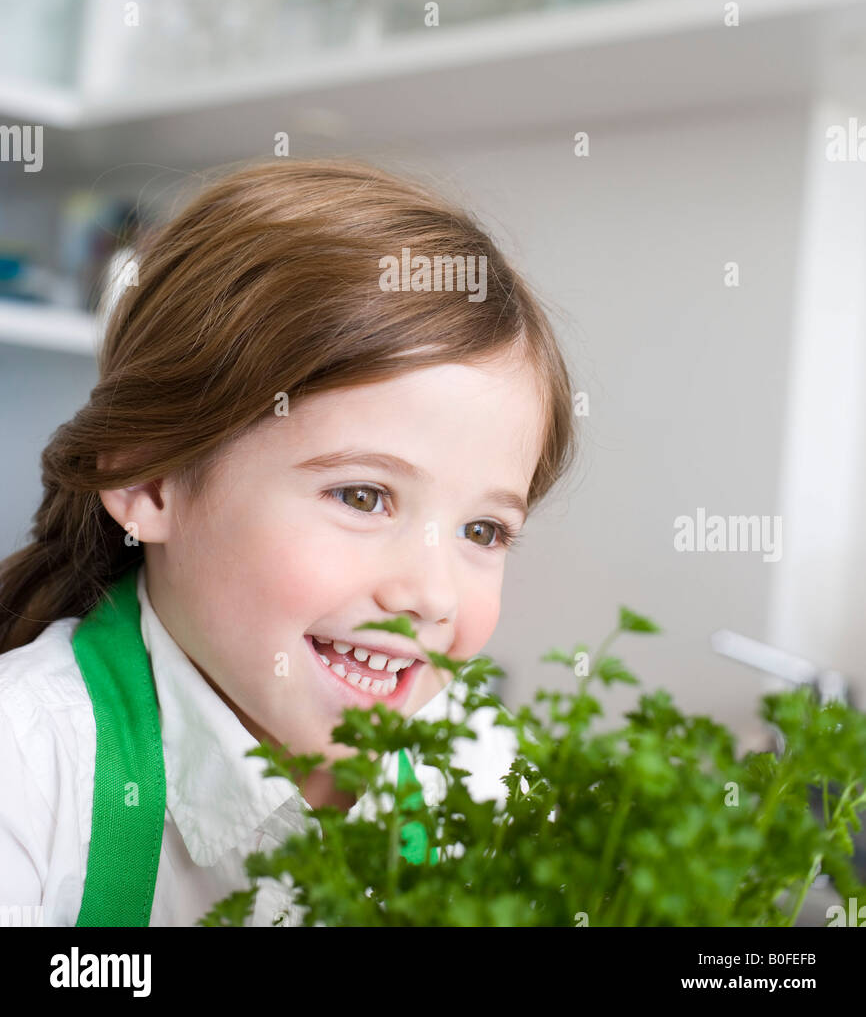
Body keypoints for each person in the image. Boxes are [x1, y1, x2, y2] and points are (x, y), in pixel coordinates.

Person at [0, 157, 577, 927]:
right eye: (364, 497)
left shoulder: (484, 774)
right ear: (150, 485)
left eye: (484, 530)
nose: (431, 594)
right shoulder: (27, 769)